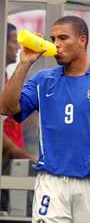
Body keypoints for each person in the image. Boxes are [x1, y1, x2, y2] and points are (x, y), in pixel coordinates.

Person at [0, 16, 90, 223]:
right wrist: (24, 63)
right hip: (51, 182)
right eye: (53, 38)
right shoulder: (43, 79)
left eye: (63, 38)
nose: (56, 44)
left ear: (82, 40)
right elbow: (6, 107)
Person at [1, 23, 35, 212]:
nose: (18, 47)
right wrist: (19, 152)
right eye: (13, 41)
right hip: (7, 158)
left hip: (15, 158)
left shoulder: (7, 77)